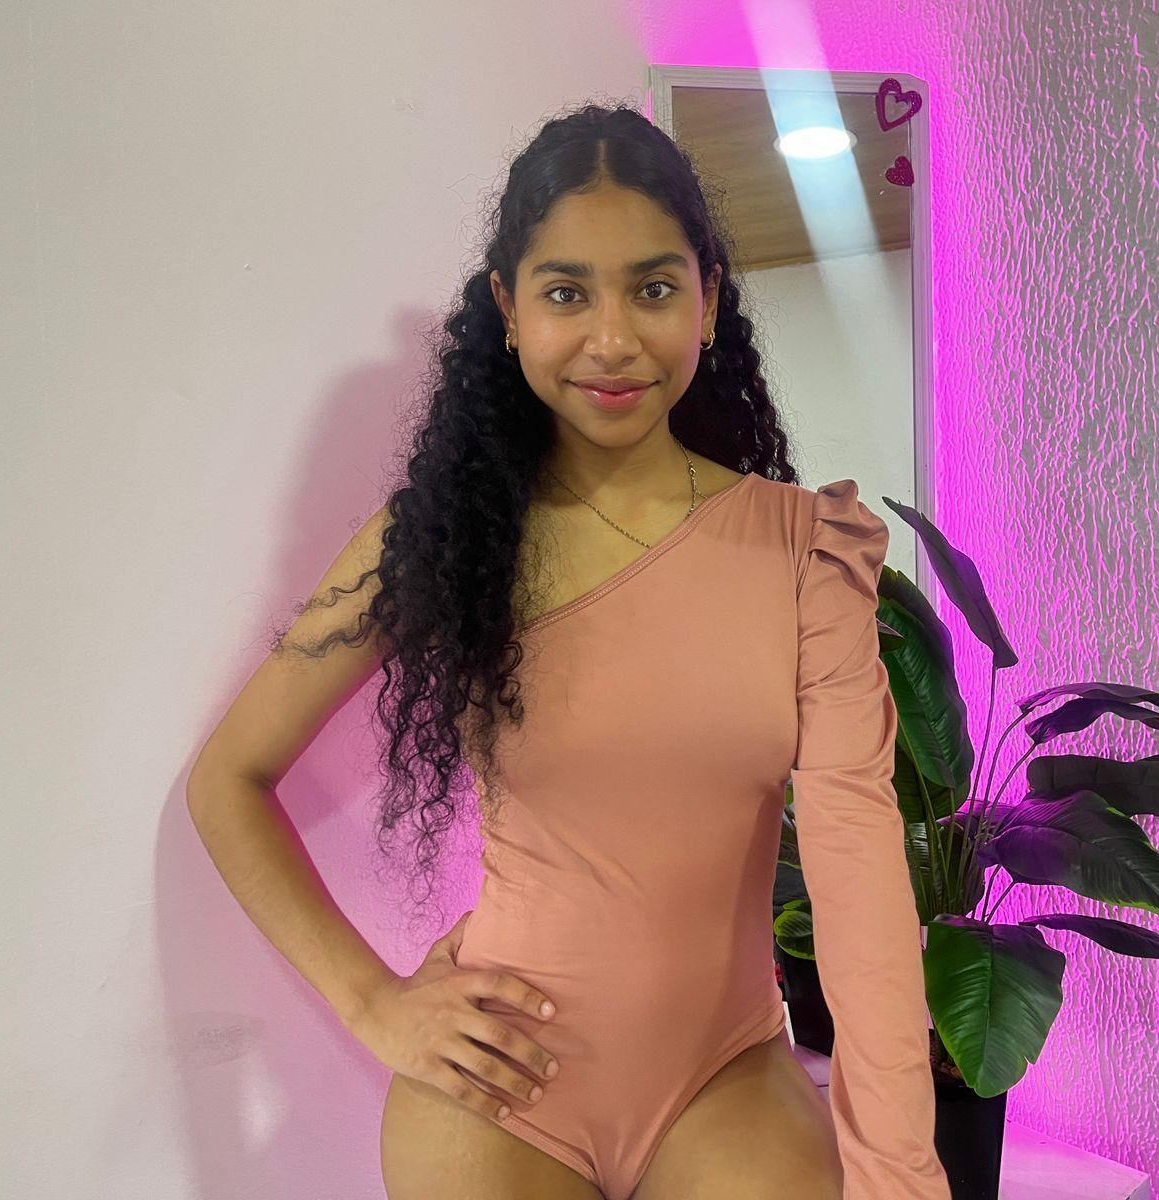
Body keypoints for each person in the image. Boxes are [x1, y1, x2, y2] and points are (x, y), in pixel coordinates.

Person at [186, 101, 951, 1200]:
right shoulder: (445, 537)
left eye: (652, 289)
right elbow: (229, 779)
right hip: (502, 1093)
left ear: (707, 299)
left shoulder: (805, 551)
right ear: (507, 308)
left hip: (725, 1074)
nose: (612, 338)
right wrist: (372, 1002)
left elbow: (859, 875)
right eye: (565, 293)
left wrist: (902, 1178)